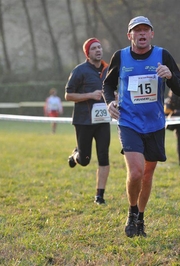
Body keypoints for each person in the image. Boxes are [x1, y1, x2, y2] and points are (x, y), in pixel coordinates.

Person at [102, 16, 180, 237]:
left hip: (155, 124)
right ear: (129, 35)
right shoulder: (120, 56)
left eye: (145, 30)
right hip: (129, 121)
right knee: (136, 172)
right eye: (136, 30)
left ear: (151, 34)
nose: (141, 34)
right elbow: (108, 84)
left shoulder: (163, 55)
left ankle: (140, 217)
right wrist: (109, 101)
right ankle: (131, 212)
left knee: (147, 175)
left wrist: (170, 77)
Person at [65, 38, 111, 205]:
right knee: (85, 160)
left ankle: (99, 196)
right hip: (83, 121)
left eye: (99, 47)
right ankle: (76, 154)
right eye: (94, 48)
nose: (98, 50)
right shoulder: (79, 71)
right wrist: (90, 95)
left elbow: (112, 89)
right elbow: (68, 95)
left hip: (103, 120)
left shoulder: (108, 70)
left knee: (104, 157)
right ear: (88, 53)